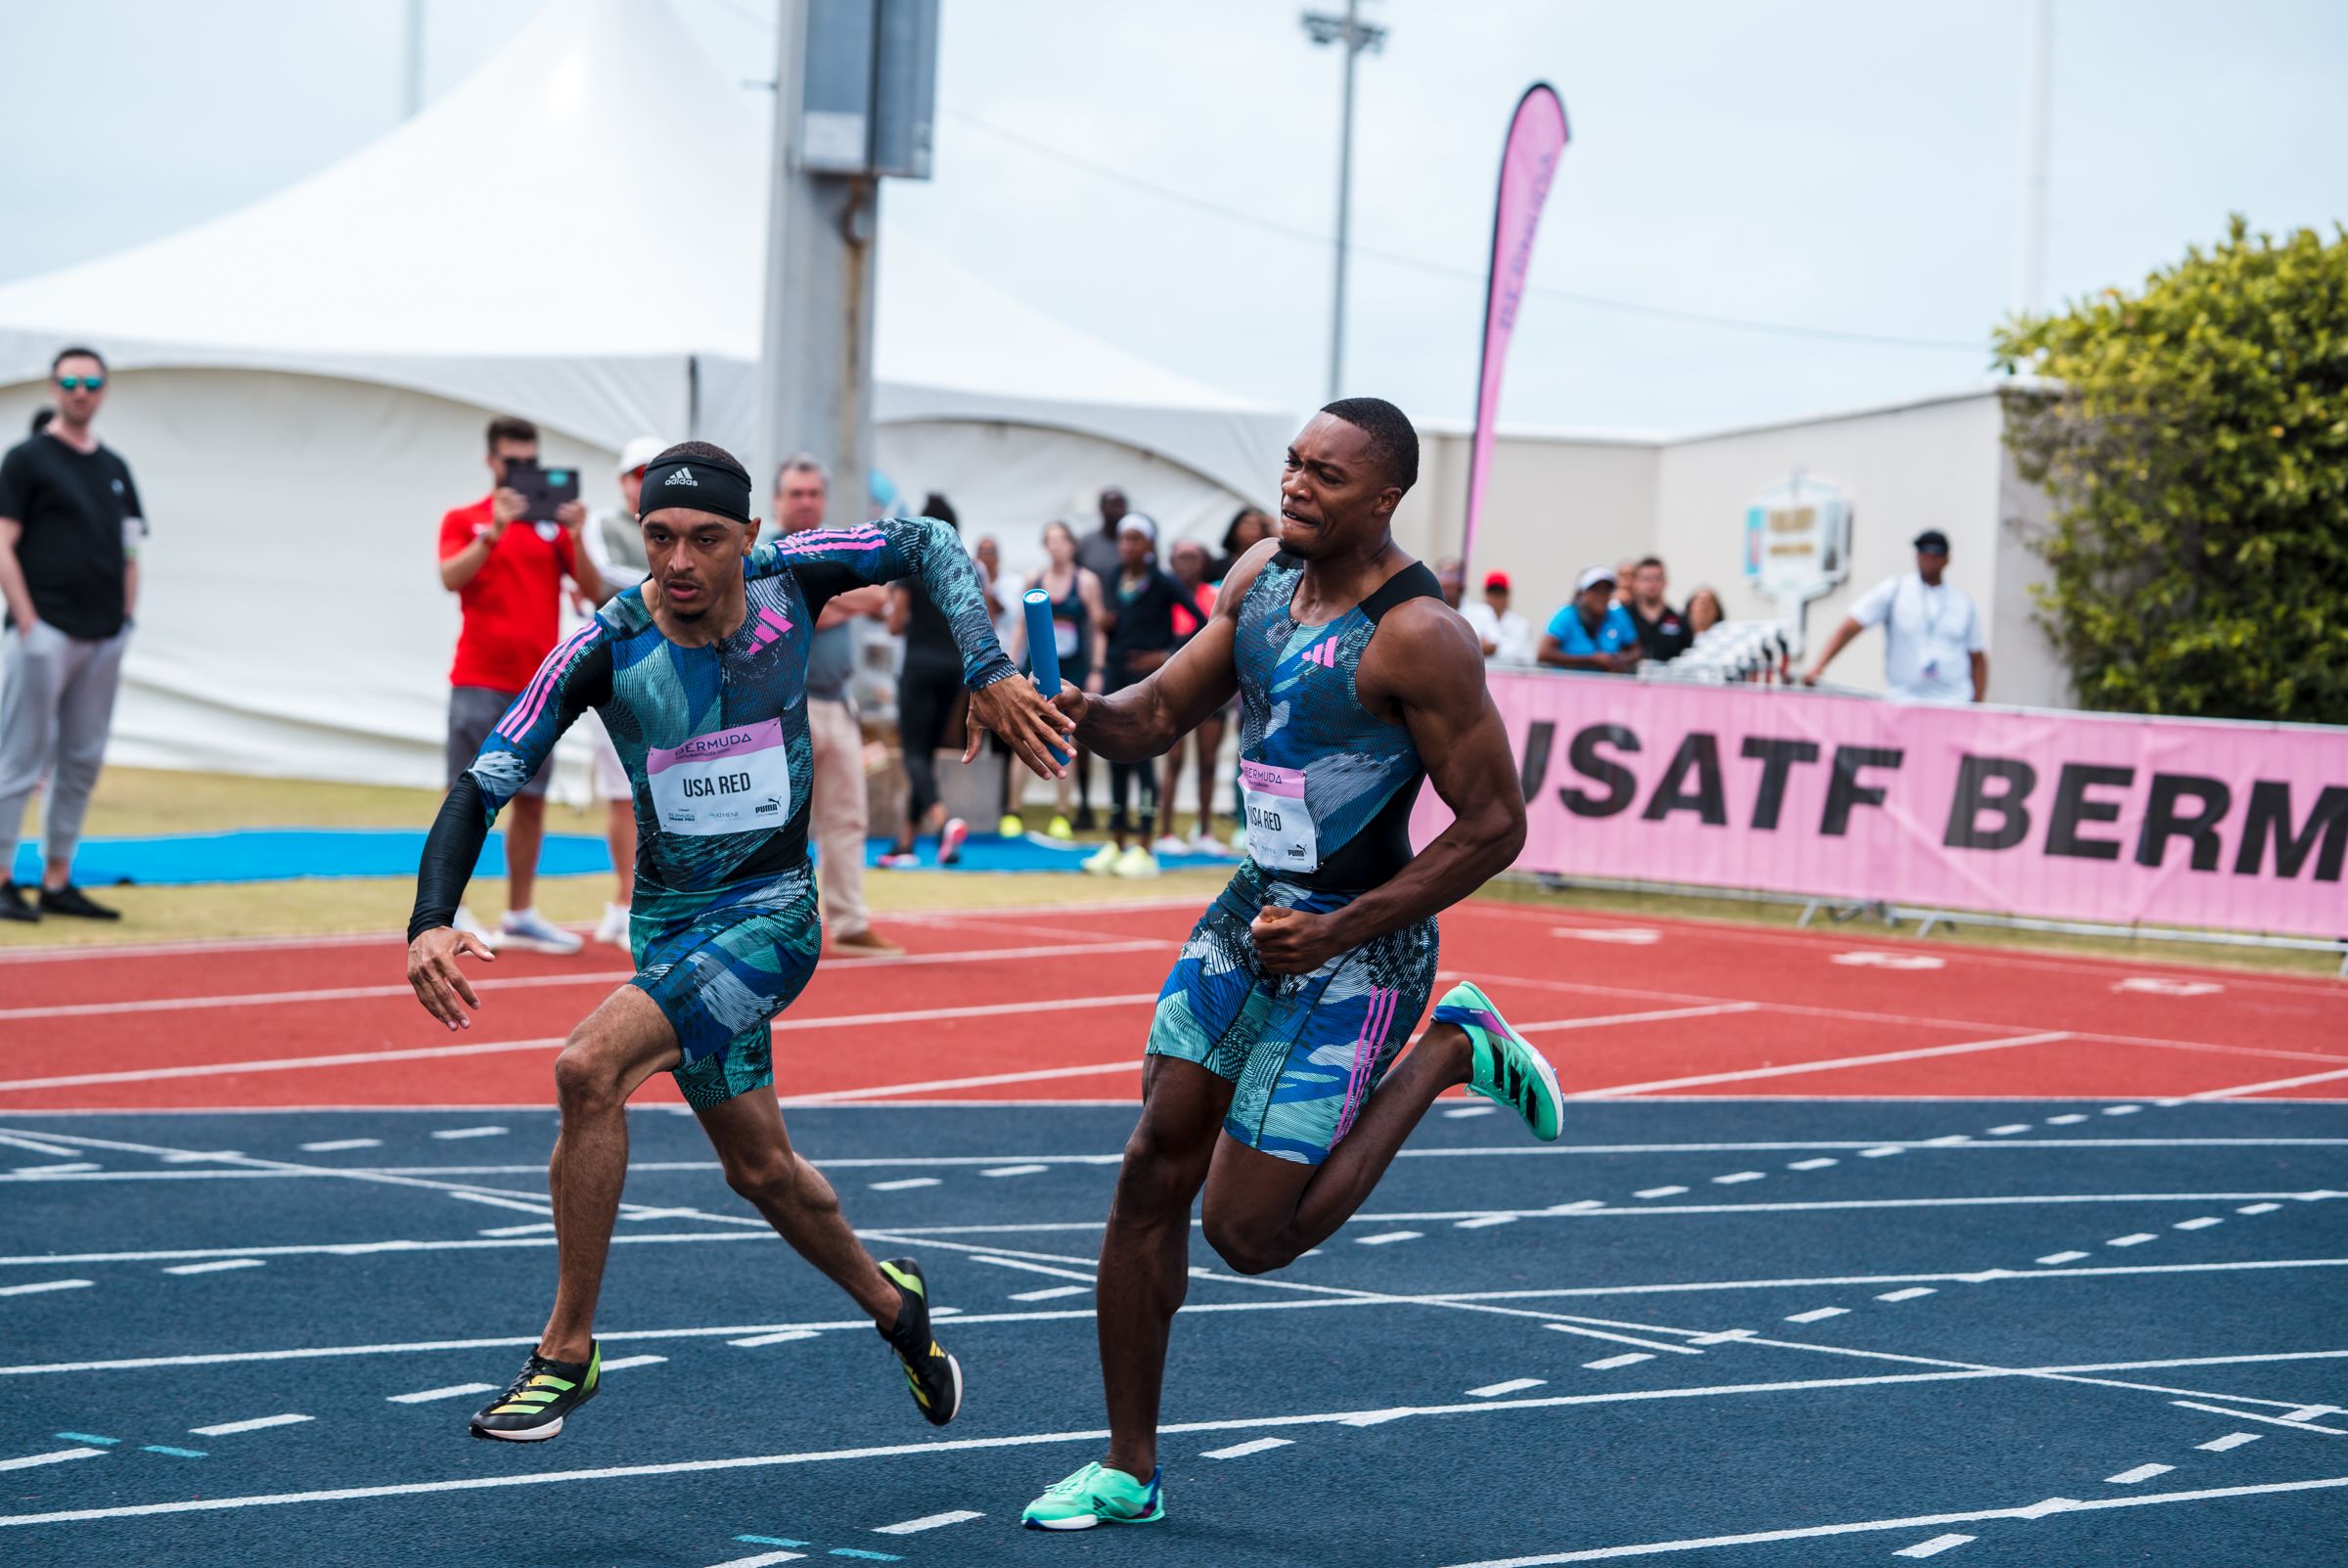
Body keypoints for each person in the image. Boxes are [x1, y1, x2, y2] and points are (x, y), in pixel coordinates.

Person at [403, 439, 1071, 1446]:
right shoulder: (605, 645)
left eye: (705, 538)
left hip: (774, 917)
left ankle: (565, 1353)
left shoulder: (792, 580)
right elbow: (482, 784)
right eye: (660, 537)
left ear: (748, 538)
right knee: (761, 1173)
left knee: (589, 1068)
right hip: (671, 930)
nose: (678, 560)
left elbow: (928, 540)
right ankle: (899, 1310)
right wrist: (430, 919)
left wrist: (984, 662)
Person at [1018, 398, 1560, 1531]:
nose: (1298, 487)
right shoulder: (1262, 576)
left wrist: (1344, 926)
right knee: (1150, 1166)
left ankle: (1453, 1048)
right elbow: (1161, 709)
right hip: (1251, 913)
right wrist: (1080, 712)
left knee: (1247, 1233)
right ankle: (1129, 1465)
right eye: (1293, 465)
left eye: (1327, 474)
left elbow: (1497, 822)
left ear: (1385, 498)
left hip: (1362, 949)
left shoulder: (1422, 637)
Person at [435, 416, 605, 954]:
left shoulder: (550, 528)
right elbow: (450, 577)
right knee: (463, 796)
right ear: (492, 462)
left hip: (538, 684)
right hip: (478, 677)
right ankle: (449, 908)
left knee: (531, 799)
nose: (522, 471)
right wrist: (494, 532)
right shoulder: (466, 519)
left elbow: (592, 587)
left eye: (530, 462)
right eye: (513, 461)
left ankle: (521, 912)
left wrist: (576, 536)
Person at [0, 346, 144, 922]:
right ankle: (5, 876)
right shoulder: (27, 459)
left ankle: (58, 878)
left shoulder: (114, 467)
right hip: (45, 631)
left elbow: (131, 546)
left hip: (104, 635)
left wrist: (126, 619)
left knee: (81, 760)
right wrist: (28, 620)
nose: (80, 390)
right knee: (19, 758)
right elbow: (4, 541)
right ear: (54, 388)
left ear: (103, 390)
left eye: (90, 381)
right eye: (70, 381)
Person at [779, 455, 901, 956]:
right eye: (796, 493)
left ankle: (849, 923)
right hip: (785, 708)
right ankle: (775, 925)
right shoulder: (769, 552)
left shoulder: (835, 549)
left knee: (848, 818)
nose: (805, 501)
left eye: (812, 493)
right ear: (779, 499)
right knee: (781, 822)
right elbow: (794, 612)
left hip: (838, 701)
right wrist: (828, 603)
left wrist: (823, 604)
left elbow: (881, 597)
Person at [576, 435, 666, 948]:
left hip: (672, 677)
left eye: (653, 472)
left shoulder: (683, 527)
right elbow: (603, 578)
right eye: (637, 473)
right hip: (617, 675)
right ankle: (625, 897)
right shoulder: (605, 525)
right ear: (623, 481)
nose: (643, 481)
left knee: (666, 790)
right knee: (620, 793)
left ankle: (652, 898)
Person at [1084, 515, 1185, 877]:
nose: (1126, 546)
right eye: (1122, 539)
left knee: (1142, 757)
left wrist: (1165, 655)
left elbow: (1205, 623)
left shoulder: (1163, 583)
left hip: (1147, 683)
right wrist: (1108, 627)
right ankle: (1116, 841)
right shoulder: (1114, 579)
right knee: (1113, 752)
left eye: (1134, 539)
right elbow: (1116, 625)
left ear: (1150, 545)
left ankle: (1144, 846)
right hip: (1115, 676)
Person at [880, 493, 971, 869]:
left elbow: (895, 623)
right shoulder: (960, 567)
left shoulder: (912, 566)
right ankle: (906, 842)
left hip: (919, 665)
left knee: (913, 754)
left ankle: (942, 818)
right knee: (927, 755)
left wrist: (885, 609)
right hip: (954, 670)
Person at [1803, 529, 1987, 703]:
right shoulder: (1896, 590)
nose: (1928, 559)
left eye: (1935, 554)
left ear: (1946, 559)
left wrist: (1977, 706)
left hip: (1954, 703)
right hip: (1903, 702)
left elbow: (1977, 658)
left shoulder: (1963, 602)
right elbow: (1851, 625)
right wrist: (1820, 665)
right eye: (1923, 553)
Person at [1012, 519, 1106, 838]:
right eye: (1049, 540)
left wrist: (1097, 668)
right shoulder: (1033, 579)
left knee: (1068, 736)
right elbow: (1020, 627)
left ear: (1071, 544)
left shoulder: (1086, 581)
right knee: (1024, 731)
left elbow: (1096, 628)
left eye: (1061, 540)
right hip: (1035, 669)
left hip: (1073, 668)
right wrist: (1011, 666)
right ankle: (1013, 810)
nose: (1055, 546)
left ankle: (1062, 813)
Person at [1150, 538, 1224, 855]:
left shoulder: (1215, 596)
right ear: (1172, 561)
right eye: (1181, 558)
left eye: (1193, 557)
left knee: (1208, 762)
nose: (1187, 564)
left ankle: (1204, 830)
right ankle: (1165, 832)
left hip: (1210, 691)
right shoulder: (1165, 597)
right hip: (1175, 691)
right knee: (1173, 761)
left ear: (1203, 562)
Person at [1069, 487, 1129, 829]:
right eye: (1109, 505)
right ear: (1100, 509)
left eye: (1120, 505)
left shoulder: (1133, 542)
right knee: (1081, 724)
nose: (1115, 510)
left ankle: (1119, 808)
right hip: (1089, 644)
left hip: (1123, 647)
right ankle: (1084, 803)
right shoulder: (1087, 545)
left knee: (1113, 722)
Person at [1538, 565, 1643, 672]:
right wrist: (1590, 660)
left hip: (1606, 685)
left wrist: (1620, 660)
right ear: (1582, 593)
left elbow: (1636, 651)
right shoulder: (1567, 615)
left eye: (1606, 590)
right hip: (1568, 684)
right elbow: (1543, 654)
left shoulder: (1618, 615)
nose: (1601, 595)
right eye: (1595, 590)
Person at [1624, 556, 1693, 662]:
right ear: (1636, 583)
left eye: (1657, 578)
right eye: (1646, 579)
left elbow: (1688, 656)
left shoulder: (1679, 620)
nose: (1652, 584)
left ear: (1665, 582)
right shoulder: (1624, 616)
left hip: (1668, 677)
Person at [1461, 569, 1535, 664]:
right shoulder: (1471, 620)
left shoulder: (1522, 625)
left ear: (1507, 595)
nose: (1495, 599)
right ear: (1485, 594)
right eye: (1492, 593)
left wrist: (1489, 648)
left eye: (1500, 593)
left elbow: (1528, 659)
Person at [1211, 505, 1273, 581]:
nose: (1253, 529)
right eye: (1248, 523)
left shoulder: (1267, 569)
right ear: (1234, 528)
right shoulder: (1217, 566)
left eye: (1259, 525)